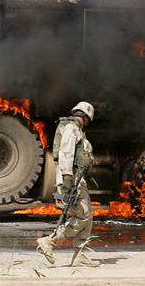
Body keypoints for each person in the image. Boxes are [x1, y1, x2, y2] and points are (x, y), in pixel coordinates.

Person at [37, 101, 100, 267]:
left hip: (78, 180)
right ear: (86, 117)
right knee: (83, 215)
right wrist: (67, 181)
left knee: (88, 217)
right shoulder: (71, 129)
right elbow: (66, 154)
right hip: (72, 180)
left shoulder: (76, 130)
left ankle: (80, 255)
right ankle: (50, 241)